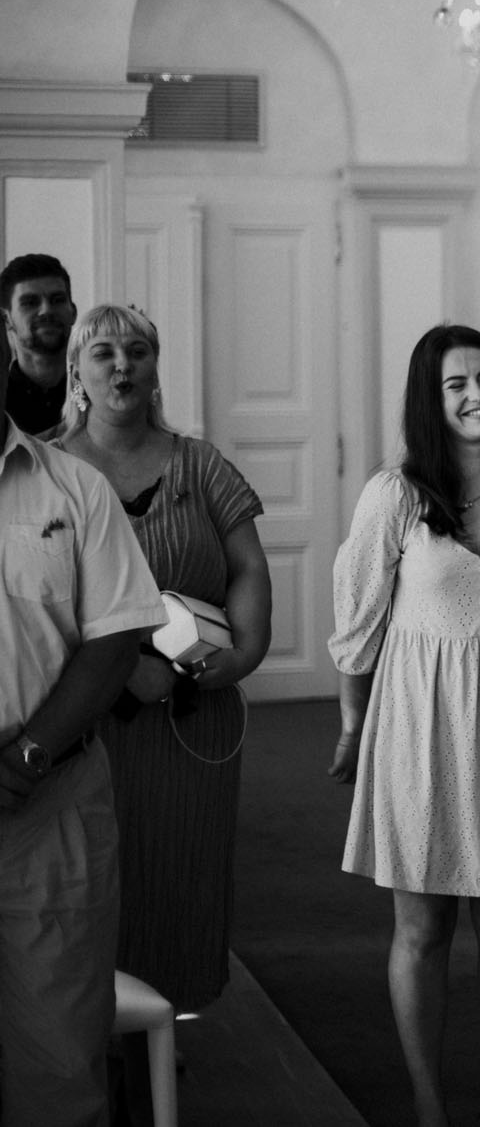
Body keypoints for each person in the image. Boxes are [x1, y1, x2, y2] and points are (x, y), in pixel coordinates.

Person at [326, 325, 480, 1127]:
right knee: (422, 926)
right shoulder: (394, 496)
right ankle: (429, 1107)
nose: (478, 393)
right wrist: (352, 721)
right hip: (416, 727)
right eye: (456, 383)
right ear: (429, 402)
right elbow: (358, 624)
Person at [53, 306, 272, 1032]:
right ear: (77, 372)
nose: (123, 365)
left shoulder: (200, 464)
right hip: (82, 722)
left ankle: (161, 1032)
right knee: (91, 882)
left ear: (155, 369)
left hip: (191, 717)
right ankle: (92, 1035)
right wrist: (118, 675)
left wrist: (236, 657)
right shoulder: (47, 467)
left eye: (138, 351)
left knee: (179, 873)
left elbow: (247, 568)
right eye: (104, 352)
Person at [0, 319, 167, 1127]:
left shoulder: (74, 489)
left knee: (59, 1067)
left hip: (49, 806)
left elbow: (116, 638)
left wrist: (26, 757)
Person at [1, 252, 78, 437]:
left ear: (73, 312)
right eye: (30, 303)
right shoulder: (1, 403)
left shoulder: (97, 394)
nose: (46, 310)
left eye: (57, 300)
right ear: (6, 319)